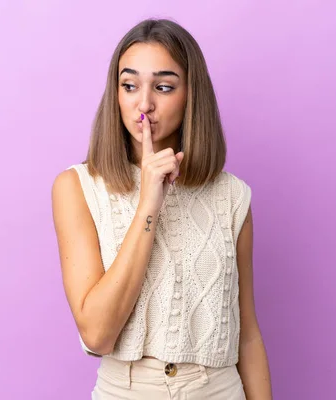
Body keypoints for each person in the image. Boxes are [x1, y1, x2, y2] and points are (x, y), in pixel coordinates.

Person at [52, 18, 272, 399]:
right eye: (130, 85)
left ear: (190, 96)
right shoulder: (77, 187)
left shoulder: (232, 196)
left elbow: (247, 334)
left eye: (164, 87)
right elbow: (97, 333)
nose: (144, 103)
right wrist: (149, 201)